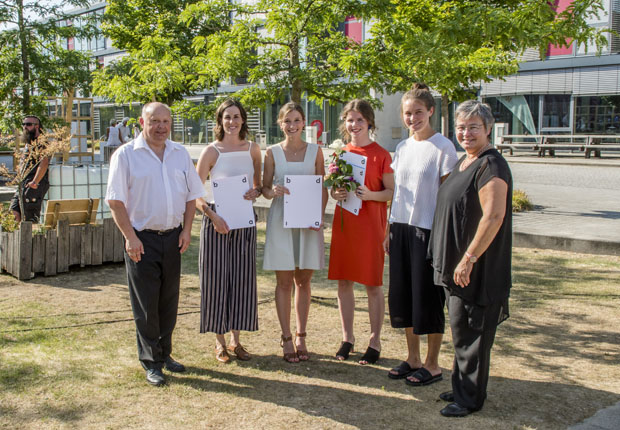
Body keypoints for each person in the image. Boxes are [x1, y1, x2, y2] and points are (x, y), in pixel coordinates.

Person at [106, 102, 204, 386]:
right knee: (147, 303)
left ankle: (165, 353)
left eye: (166, 121)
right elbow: (115, 201)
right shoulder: (126, 156)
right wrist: (130, 238)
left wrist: (187, 230)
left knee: (168, 300)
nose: (161, 127)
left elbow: (190, 195)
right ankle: (151, 362)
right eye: (155, 121)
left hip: (173, 237)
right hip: (142, 239)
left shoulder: (179, 153)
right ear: (142, 122)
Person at [429, 100, 513, 417]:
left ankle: (469, 399)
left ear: (488, 129)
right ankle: (463, 385)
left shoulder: (491, 165)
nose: (466, 133)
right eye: (461, 127)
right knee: (461, 329)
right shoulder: (467, 160)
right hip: (457, 266)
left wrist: (469, 258)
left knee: (474, 335)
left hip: (477, 268)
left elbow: (493, 217)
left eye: (473, 127)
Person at [385, 83, 458, 385]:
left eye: (418, 112)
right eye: (407, 113)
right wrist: (388, 228)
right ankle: (412, 358)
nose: (412, 117)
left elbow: (449, 195)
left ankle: (433, 363)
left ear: (430, 111)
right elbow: (398, 193)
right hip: (400, 228)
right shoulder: (402, 148)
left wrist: (443, 237)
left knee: (428, 297)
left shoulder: (444, 147)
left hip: (429, 231)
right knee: (404, 296)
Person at [328, 100, 394, 365]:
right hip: (345, 225)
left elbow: (391, 192)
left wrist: (371, 194)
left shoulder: (381, 154)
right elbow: (333, 190)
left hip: (370, 227)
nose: (354, 125)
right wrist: (336, 193)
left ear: (369, 123)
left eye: (359, 120)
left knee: (372, 284)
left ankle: (375, 340)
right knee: (344, 282)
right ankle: (348, 338)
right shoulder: (340, 153)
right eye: (350, 120)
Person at [195, 99, 261, 363]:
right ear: (220, 121)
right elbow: (195, 194)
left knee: (242, 282)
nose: (232, 122)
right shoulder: (211, 152)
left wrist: (255, 192)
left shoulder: (254, 150)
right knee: (216, 282)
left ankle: (236, 341)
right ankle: (219, 342)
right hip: (216, 222)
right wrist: (212, 217)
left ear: (243, 120)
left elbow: (257, 187)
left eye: (236, 117)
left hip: (244, 223)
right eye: (227, 117)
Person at [262, 102, 327, 363]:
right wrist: (272, 191)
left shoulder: (315, 152)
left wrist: (319, 216)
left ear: (304, 123)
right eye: (287, 121)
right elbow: (264, 188)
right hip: (281, 221)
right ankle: (286, 336)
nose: (292, 125)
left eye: (297, 120)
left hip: (308, 223)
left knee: (304, 281)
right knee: (284, 282)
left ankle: (301, 335)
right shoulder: (272, 153)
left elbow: (321, 187)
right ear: (280, 124)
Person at [10, 115, 50, 223]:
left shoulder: (42, 143)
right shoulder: (29, 143)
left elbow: (44, 163)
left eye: (28, 124)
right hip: (23, 184)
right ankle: (17, 237)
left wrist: (35, 182)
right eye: (23, 124)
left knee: (29, 218)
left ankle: (30, 238)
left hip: (34, 184)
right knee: (13, 213)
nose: (25, 127)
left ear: (37, 126)